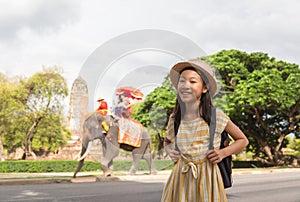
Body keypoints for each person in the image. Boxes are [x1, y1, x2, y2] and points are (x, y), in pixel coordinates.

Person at [161, 59, 249, 202]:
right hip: (180, 178)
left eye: (193, 81)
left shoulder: (216, 117)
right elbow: (167, 141)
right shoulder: (175, 119)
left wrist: (222, 153)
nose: (185, 86)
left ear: (204, 88)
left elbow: (243, 140)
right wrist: (171, 150)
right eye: (182, 81)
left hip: (208, 178)